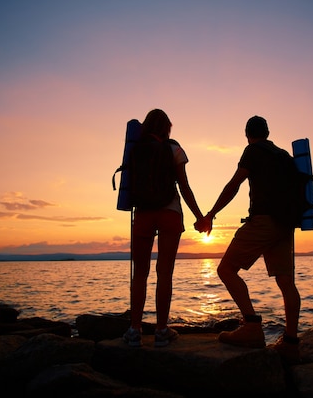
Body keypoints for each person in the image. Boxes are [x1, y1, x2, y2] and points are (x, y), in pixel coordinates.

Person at [195, 115, 301, 362]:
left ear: (248, 134)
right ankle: (292, 342)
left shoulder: (252, 151)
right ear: (267, 132)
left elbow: (234, 185)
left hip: (263, 221)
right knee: (286, 282)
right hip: (286, 225)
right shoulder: (283, 155)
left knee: (226, 270)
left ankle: (252, 327)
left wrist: (211, 214)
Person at [123, 108, 205, 347]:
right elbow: (184, 187)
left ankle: (134, 330)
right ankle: (161, 331)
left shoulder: (136, 148)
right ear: (167, 127)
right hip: (170, 212)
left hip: (143, 214)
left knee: (140, 274)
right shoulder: (174, 149)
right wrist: (199, 216)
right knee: (164, 273)